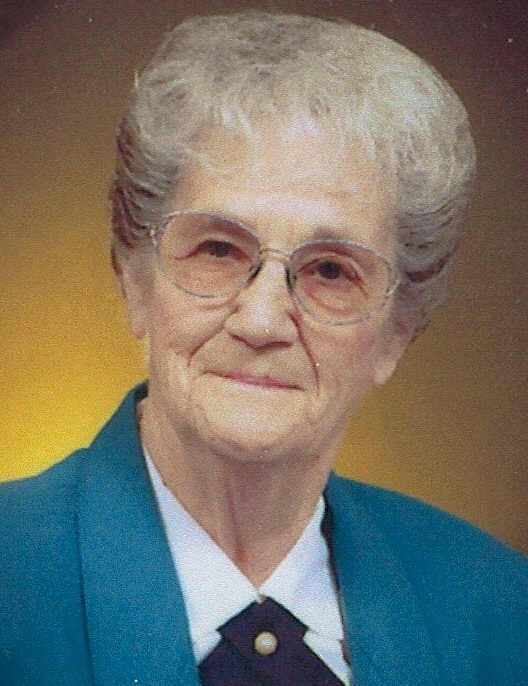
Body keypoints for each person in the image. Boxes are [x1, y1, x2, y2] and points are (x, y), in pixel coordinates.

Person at [1, 10, 526, 686]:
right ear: (135, 280)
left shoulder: (499, 615)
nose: (261, 320)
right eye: (218, 250)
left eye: (331, 270)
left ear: (397, 332)